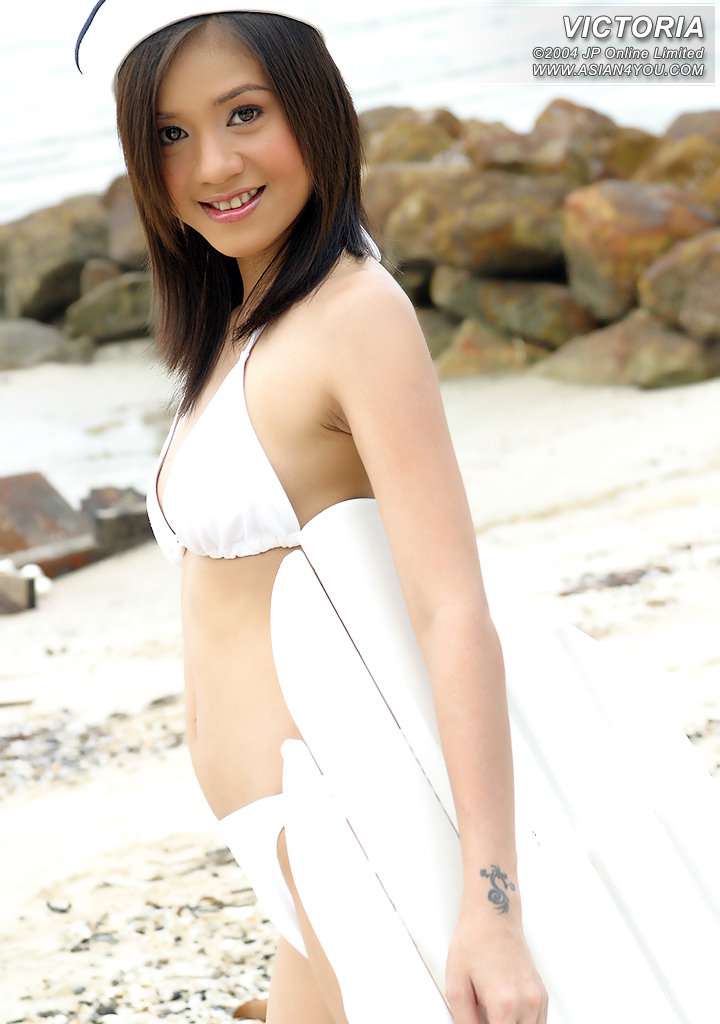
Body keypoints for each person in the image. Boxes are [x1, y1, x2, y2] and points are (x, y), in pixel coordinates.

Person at [74, 4, 551, 1022]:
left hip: (363, 829)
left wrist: (491, 904)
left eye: (245, 113)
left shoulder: (356, 313)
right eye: (170, 132)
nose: (213, 164)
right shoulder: (238, 327)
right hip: (295, 853)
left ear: (314, 107)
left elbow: (452, 609)